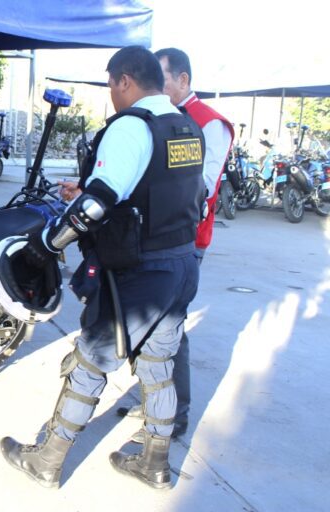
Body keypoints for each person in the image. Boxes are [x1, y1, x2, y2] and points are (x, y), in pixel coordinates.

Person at [0, 45, 205, 490]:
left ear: (124, 80)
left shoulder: (132, 127)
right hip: (181, 265)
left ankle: (47, 460)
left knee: (89, 363)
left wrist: (47, 245)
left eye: (111, 85)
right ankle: (155, 463)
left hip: (139, 273)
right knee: (158, 364)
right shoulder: (185, 126)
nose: (112, 95)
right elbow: (189, 194)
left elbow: (95, 206)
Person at [116, 48, 234, 443]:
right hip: (147, 239)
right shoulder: (156, 116)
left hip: (182, 241)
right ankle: (153, 402)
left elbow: (201, 190)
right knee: (144, 326)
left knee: (169, 329)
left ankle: (175, 413)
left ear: (183, 80)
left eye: (162, 78)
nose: (156, 86)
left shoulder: (210, 124)